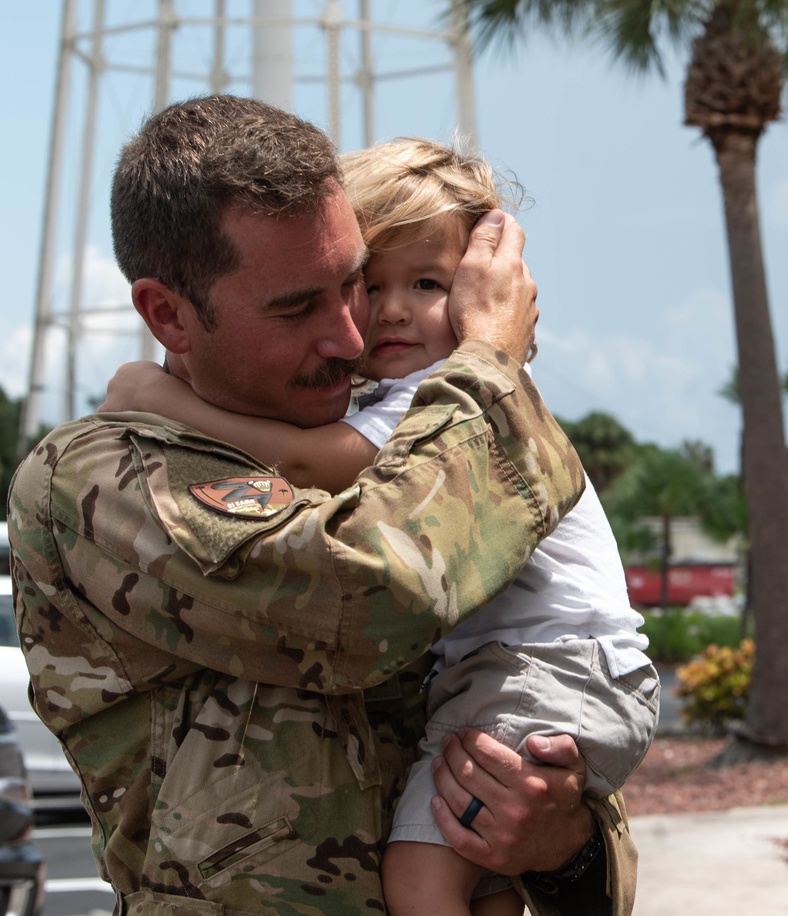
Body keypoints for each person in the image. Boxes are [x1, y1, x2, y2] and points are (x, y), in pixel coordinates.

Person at [7, 96, 637, 916]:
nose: (350, 335)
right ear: (168, 314)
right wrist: (486, 365)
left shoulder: (429, 448)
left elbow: (550, 760)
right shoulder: (102, 475)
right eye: (298, 307)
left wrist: (562, 848)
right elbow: (379, 593)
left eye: (354, 286)